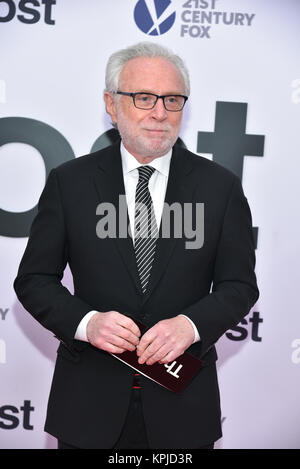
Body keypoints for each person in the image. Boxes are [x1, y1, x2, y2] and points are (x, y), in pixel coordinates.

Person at [14, 42, 259, 449]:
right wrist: (87, 323)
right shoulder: (70, 183)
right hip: (88, 404)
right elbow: (35, 280)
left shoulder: (221, 188)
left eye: (172, 99)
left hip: (183, 406)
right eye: (143, 97)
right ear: (112, 104)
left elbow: (240, 286)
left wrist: (191, 326)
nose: (160, 112)